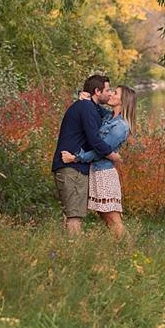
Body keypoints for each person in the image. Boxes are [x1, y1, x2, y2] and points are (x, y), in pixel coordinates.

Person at [61, 85, 136, 239]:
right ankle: (122, 250)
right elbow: (94, 102)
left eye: (114, 93)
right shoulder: (109, 117)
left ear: (123, 100)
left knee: (112, 219)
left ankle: (129, 250)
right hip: (95, 172)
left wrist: (76, 158)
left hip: (104, 175)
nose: (110, 94)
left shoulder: (120, 126)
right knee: (105, 218)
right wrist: (81, 94)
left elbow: (99, 150)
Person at [52, 75, 121, 236]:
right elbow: (95, 140)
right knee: (74, 216)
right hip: (71, 168)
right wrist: (112, 155)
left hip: (70, 167)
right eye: (107, 90)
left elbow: (108, 119)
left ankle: (66, 252)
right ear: (97, 91)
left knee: (70, 213)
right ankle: (74, 256)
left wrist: (80, 93)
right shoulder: (87, 107)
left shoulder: (89, 106)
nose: (109, 94)